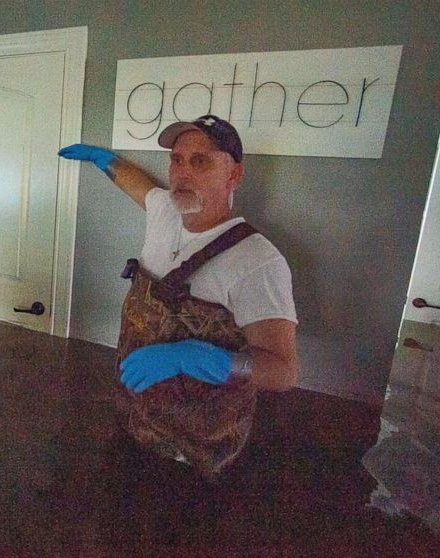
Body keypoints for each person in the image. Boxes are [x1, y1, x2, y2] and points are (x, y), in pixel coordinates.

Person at [58, 114, 298, 476]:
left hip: (198, 450)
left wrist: (203, 359)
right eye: (176, 160)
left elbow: (283, 371)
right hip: (135, 420)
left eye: (200, 161)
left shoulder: (258, 262)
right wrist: (103, 159)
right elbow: (136, 184)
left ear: (234, 176)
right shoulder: (166, 211)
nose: (182, 172)